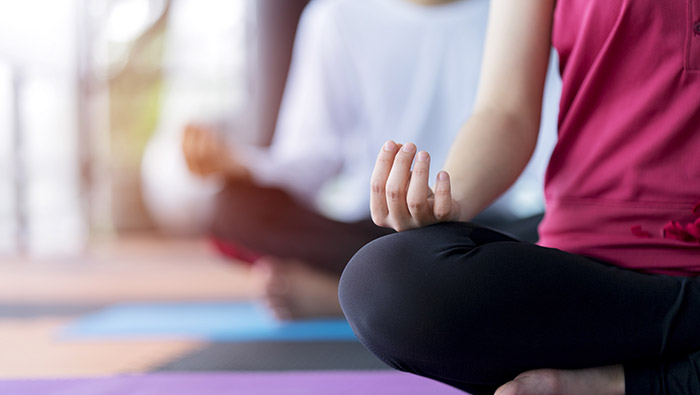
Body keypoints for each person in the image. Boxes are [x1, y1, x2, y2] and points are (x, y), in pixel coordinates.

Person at [338, 0, 700, 395]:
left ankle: (622, 383)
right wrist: (449, 201)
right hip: (591, 280)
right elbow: (505, 111)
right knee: (384, 285)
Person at [182, 0, 560, 319]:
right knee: (232, 207)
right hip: (380, 226)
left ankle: (355, 292)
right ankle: (383, 285)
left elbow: (544, 150)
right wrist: (242, 167)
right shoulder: (337, 17)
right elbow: (311, 156)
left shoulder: (523, 11)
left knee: (561, 232)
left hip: (493, 223)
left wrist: (452, 205)